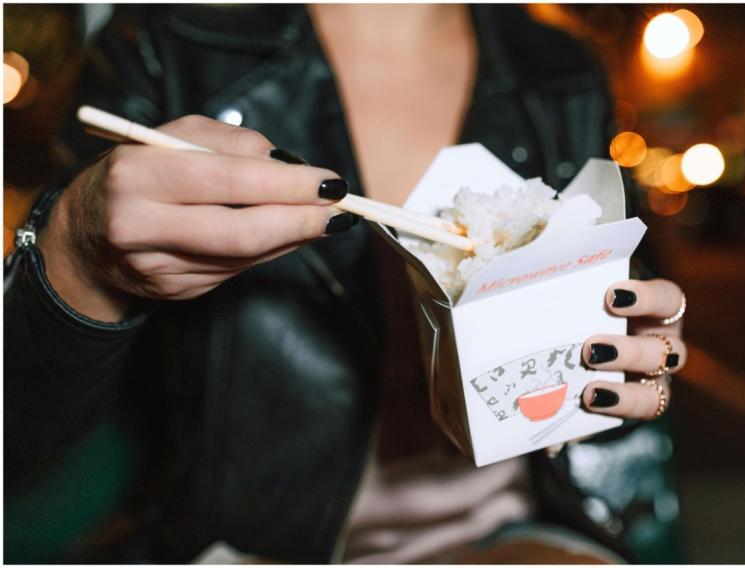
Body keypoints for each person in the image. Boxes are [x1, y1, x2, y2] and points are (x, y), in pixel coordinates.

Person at [5, 4, 688, 563]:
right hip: (240, 546)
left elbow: (631, 330)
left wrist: (640, 358)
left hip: (518, 534)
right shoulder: (168, 44)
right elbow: (23, 432)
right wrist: (76, 255)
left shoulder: (560, 67)